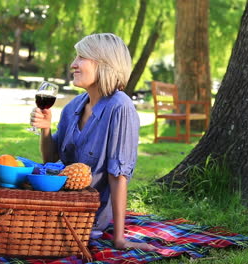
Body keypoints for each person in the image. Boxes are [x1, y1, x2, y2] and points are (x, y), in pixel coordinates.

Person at [31, 33, 156, 251]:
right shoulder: (74, 106)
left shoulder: (120, 107)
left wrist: (119, 239)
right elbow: (50, 158)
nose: (73, 64)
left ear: (105, 63)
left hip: (89, 217)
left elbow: (118, 176)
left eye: (81, 57)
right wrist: (45, 129)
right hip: (61, 201)